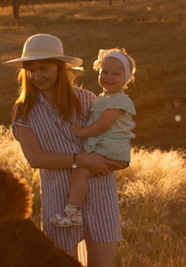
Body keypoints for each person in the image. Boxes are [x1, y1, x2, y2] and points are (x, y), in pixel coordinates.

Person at [6, 34, 128, 267]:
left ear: (61, 68)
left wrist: (107, 162)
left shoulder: (87, 100)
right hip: (60, 203)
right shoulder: (23, 111)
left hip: (100, 195)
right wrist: (81, 160)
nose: (37, 76)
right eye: (31, 70)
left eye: (44, 68)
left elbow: (113, 138)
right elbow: (35, 158)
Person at [57, 48, 136, 229]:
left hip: (111, 150)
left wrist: (82, 132)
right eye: (104, 72)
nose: (108, 77)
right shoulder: (105, 98)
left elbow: (104, 124)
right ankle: (76, 210)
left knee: (81, 171)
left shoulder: (118, 100)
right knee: (80, 172)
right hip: (106, 148)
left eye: (116, 73)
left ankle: (72, 212)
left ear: (127, 78)